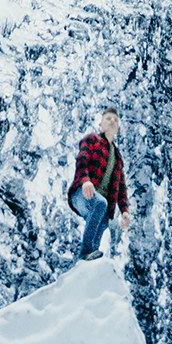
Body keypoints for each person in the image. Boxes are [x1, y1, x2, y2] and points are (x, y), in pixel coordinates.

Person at [68, 106, 129, 259]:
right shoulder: (92, 140)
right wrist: (85, 181)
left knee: (103, 222)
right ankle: (85, 252)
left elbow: (121, 187)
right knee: (100, 204)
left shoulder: (117, 157)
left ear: (118, 129)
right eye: (108, 118)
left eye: (115, 120)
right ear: (100, 124)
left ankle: (85, 265)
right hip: (81, 194)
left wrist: (125, 211)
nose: (112, 121)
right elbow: (82, 159)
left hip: (101, 204)